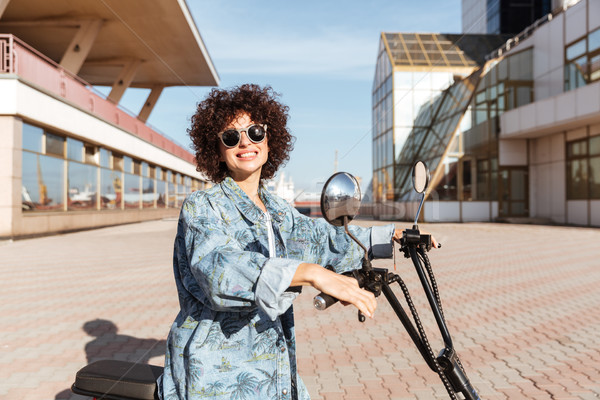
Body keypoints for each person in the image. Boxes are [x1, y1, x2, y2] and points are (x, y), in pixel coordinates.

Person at [158, 84, 403, 400]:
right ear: (217, 150)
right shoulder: (202, 206)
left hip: (276, 372)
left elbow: (323, 240)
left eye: (255, 132)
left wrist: (393, 237)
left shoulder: (277, 209)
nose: (245, 142)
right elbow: (220, 271)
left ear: (270, 140)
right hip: (217, 380)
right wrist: (311, 273)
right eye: (231, 137)